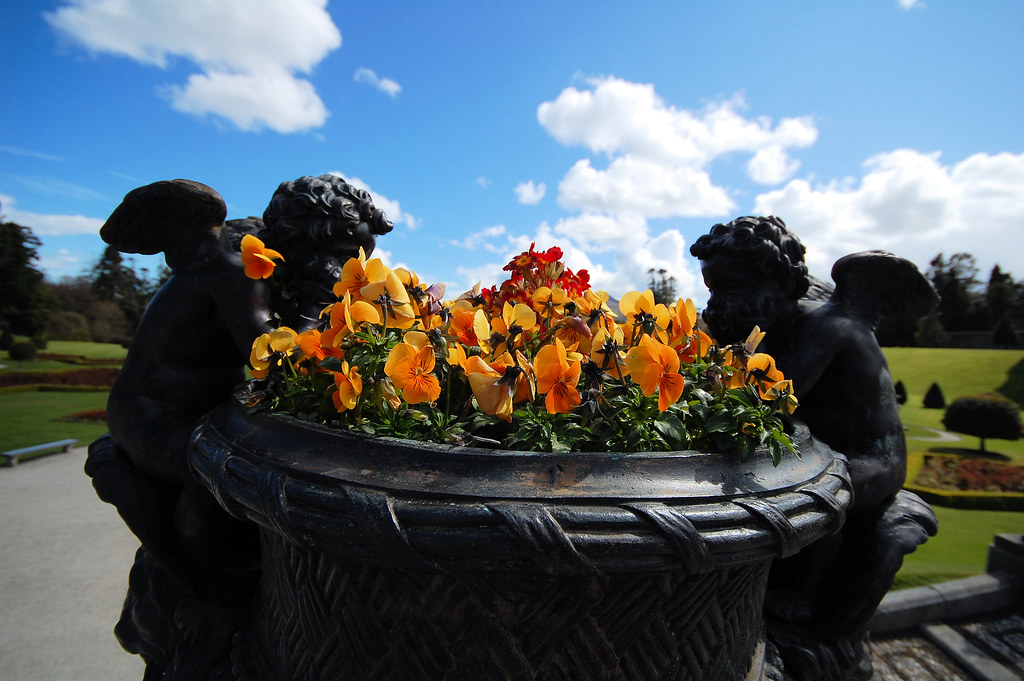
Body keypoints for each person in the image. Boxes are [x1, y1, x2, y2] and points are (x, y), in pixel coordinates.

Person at [86, 175, 392, 675]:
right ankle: (196, 587)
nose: (346, 269)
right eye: (342, 255)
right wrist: (319, 308)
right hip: (150, 413)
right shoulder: (238, 269)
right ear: (309, 241)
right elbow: (269, 357)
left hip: (195, 408)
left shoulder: (261, 261)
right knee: (214, 473)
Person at [691, 216, 939, 681]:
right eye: (711, 289)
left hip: (873, 461)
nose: (716, 302)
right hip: (824, 449)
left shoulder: (829, 325)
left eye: (730, 287)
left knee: (812, 490)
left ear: (779, 283)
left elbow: (777, 398)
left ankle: (806, 594)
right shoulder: (780, 320)